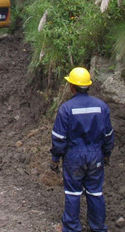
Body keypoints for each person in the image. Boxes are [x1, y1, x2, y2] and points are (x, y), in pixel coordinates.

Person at [50, 67, 114, 232]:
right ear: (88, 86)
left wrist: (55, 159)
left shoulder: (66, 109)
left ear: (72, 87)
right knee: (95, 191)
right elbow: (108, 135)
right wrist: (106, 154)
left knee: (73, 193)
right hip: (95, 154)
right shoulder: (102, 107)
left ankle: (72, 227)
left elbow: (59, 138)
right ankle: (98, 227)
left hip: (74, 156)